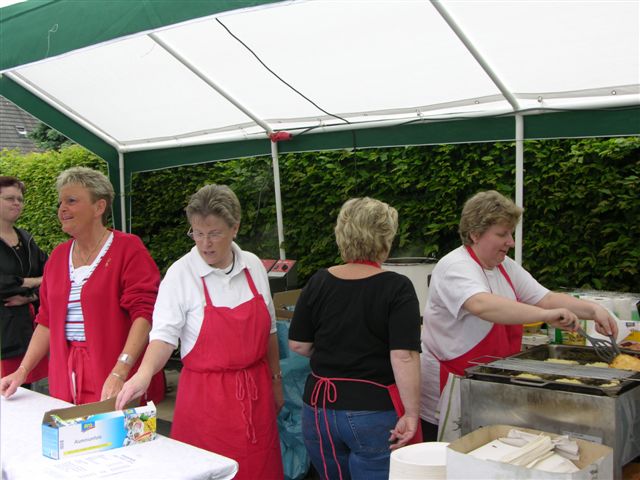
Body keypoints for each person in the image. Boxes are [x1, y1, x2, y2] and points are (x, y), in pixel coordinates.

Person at [419, 190, 619, 440]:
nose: (511, 242)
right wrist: (546, 315)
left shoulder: (505, 266)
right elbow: (482, 304)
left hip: (491, 383)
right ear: (475, 234)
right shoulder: (455, 266)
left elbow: (546, 298)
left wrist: (594, 310)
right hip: (453, 387)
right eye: (502, 234)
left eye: (510, 233)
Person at [116, 184, 284, 480]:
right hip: (206, 403)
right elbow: (164, 337)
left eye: (214, 233)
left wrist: (275, 380)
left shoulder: (253, 266)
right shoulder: (181, 274)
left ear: (235, 228)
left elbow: (269, 330)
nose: (205, 244)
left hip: (256, 397)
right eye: (197, 233)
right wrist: (143, 374)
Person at [1, 167, 165, 405]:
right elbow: (46, 322)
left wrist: (121, 370)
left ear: (99, 207)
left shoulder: (128, 248)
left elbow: (144, 314)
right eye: (60, 202)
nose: (62, 209)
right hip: (66, 373)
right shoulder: (58, 257)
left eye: (71, 201)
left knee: (113, 428)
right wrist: (22, 371)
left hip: (115, 373)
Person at [288, 197, 422, 480]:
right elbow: (404, 356)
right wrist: (411, 414)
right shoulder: (397, 287)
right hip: (372, 412)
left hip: (318, 410)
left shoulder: (318, 280)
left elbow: (298, 344)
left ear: (342, 235)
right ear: (385, 239)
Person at [0, 176, 48, 385]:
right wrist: (31, 282)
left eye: (20, 199)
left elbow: (53, 277)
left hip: (27, 331)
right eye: (10, 198)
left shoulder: (27, 239)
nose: (17, 203)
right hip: (3, 335)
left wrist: (30, 297)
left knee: (24, 392)